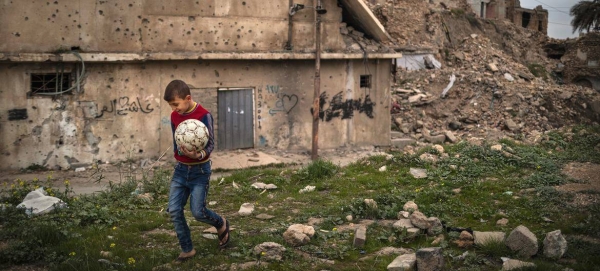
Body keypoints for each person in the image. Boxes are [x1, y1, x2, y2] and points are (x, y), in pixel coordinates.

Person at [163, 79, 230, 264]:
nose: (174, 108)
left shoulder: (204, 115)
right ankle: (187, 249)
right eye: (171, 105)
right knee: (175, 210)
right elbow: (176, 138)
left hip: (200, 171)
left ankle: (220, 223)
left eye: (176, 104)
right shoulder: (174, 116)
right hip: (180, 171)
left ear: (188, 98)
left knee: (198, 212)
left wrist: (198, 155)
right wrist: (181, 154)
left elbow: (211, 144)